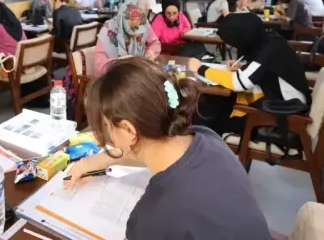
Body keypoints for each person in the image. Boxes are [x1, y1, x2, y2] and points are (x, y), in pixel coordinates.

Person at [65, 58, 271, 240]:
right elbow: (143, 151)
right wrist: (93, 162)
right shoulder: (206, 138)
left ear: (128, 129)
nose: (108, 136)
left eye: (106, 127)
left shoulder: (153, 216)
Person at [194, 13, 310, 136]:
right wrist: (244, 67)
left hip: (282, 113)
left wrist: (200, 68)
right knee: (217, 102)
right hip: (283, 103)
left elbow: (239, 83)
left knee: (215, 112)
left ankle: (205, 141)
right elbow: (266, 70)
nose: (231, 46)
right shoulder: (270, 40)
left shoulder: (266, 52)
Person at [95, 4, 161, 74]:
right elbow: (99, 66)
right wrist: (121, 61)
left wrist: (151, 51)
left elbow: (155, 43)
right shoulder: (107, 31)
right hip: (117, 76)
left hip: (139, 72)